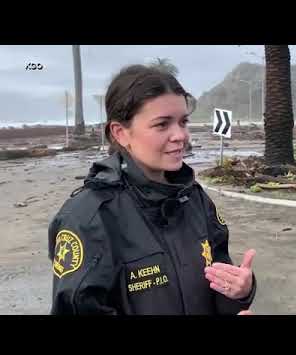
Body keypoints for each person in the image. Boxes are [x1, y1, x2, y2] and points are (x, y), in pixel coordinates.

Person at [48, 64, 256, 315]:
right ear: (120, 133)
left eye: (183, 122)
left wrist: (240, 292)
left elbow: (220, 287)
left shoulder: (194, 199)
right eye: (162, 124)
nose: (180, 135)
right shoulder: (88, 218)